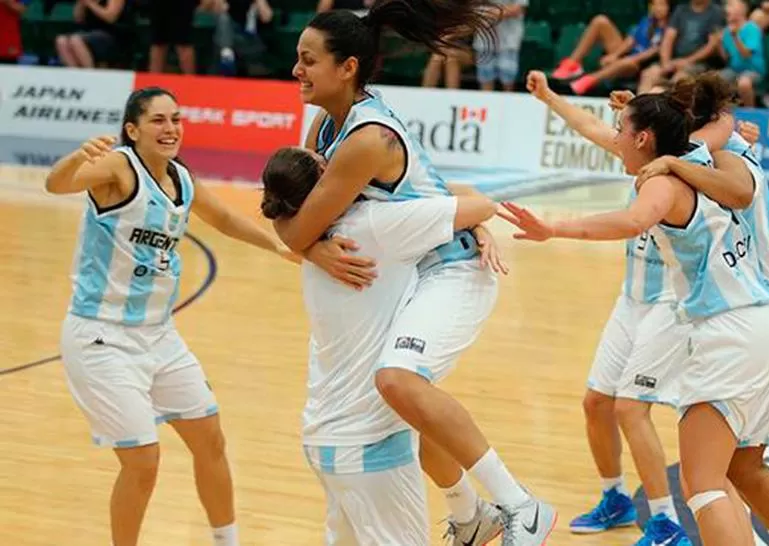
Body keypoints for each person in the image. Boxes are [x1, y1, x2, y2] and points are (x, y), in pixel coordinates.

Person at [274, 2, 557, 545]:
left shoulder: (364, 140)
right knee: (394, 401)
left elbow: (295, 230)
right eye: (297, 58)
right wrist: (312, 247)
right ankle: (469, 514)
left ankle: (521, 506)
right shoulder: (329, 122)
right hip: (417, 259)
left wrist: (310, 246)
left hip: (451, 270)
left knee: (397, 380)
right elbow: (292, 218)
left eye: (308, 60)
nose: (297, 70)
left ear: (348, 67)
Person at [507, 72, 769, 546]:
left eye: (623, 129)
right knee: (604, 405)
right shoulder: (673, 162)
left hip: (691, 312)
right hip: (673, 307)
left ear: (644, 136)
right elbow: (600, 131)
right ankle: (620, 499)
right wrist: (551, 96)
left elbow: (633, 218)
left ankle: (663, 520)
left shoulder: (672, 175)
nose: (612, 136)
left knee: (674, 450)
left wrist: (554, 227)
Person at [44, 87, 300, 546]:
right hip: (102, 337)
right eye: (159, 121)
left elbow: (222, 219)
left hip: (160, 337)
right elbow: (57, 185)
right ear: (132, 130)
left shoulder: (181, 178)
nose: (171, 129)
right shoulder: (119, 168)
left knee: (211, 440)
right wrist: (73, 158)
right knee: (142, 462)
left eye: (176, 119)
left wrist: (279, 246)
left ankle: (228, 541)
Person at [260, 146, 500, 545]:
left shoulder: (316, 244)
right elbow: (479, 204)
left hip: (323, 438)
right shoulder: (376, 224)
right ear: (326, 187)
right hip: (372, 445)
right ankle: (484, 508)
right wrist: (480, 228)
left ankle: (469, 511)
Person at [638, 79, 769, 546]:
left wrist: (669, 157)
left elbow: (738, 190)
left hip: (768, 305)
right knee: (740, 467)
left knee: (715, 473)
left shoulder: (726, 158)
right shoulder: (709, 154)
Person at [551, 0, 670, 96]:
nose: (658, 8)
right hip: (627, 56)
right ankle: (572, 64)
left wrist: (624, 60)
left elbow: (652, 52)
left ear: (669, 7)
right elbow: (631, 41)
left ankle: (590, 79)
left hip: (639, 66)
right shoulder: (646, 20)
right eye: (655, 4)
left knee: (627, 62)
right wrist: (614, 56)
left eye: (662, 5)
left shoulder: (670, 27)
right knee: (600, 21)